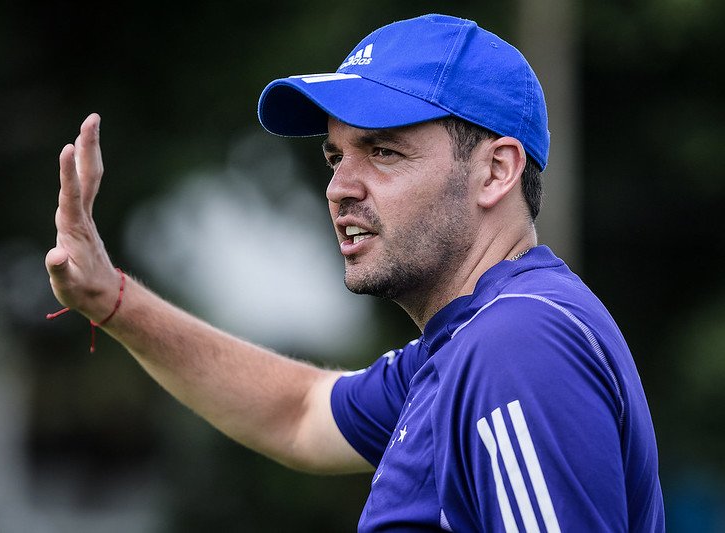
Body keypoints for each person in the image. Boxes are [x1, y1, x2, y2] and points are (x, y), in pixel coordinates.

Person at [46, 13, 665, 532]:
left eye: (384, 152)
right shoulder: (464, 345)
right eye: (335, 157)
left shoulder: (514, 346)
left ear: (496, 171)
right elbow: (298, 414)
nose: (339, 187)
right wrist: (110, 299)